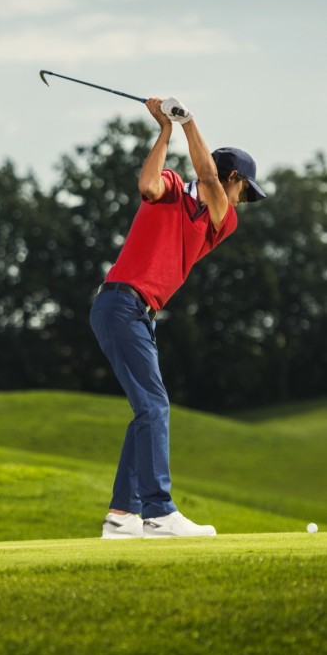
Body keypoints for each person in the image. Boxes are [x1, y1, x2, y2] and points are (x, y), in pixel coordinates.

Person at [90, 95, 266, 538]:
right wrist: (167, 130)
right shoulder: (171, 187)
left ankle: (123, 515)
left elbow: (206, 175)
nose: (242, 200)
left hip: (135, 312)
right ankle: (159, 511)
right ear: (235, 178)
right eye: (245, 190)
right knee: (153, 407)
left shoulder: (220, 220)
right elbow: (148, 185)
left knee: (146, 410)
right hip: (120, 303)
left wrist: (187, 122)